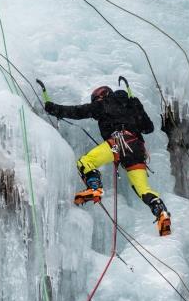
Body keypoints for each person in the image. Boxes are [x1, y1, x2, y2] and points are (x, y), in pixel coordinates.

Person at [45, 85, 172, 236]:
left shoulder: (104, 103)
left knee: (85, 162)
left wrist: (54, 109)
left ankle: (95, 188)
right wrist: (138, 107)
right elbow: (148, 128)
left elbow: (79, 111)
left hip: (119, 143)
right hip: (137, 150)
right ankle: (161, 213)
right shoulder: (131, 106)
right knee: (143, 190)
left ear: (101, 96)